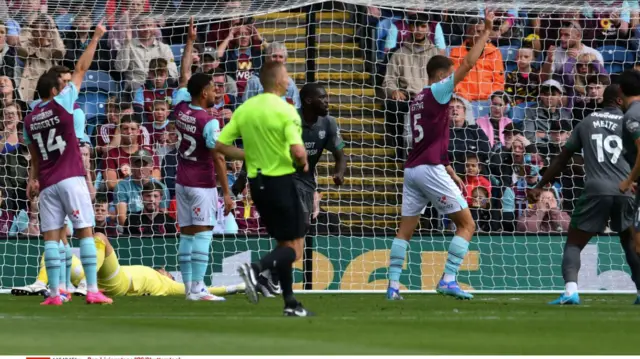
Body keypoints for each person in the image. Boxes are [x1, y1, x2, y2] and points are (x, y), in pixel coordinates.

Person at [385, 12, 496, 301]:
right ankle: (448, 279)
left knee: (404, 232)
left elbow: (432, 140)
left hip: (413, 169)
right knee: (467, 225)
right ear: (444, 75)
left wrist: (452, 170)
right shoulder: (439, 91)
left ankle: (393, 286)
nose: (454, 80)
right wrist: (486, 32)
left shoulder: (418, 98)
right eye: (451, 75)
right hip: (429, 170)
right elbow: (470, 63)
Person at [23, 20, 111, 306]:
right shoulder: (62, 104)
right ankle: (93, 290)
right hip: (71, 177)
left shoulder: (30, 119)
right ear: (52, 91)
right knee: (85, 229)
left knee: (51, 237)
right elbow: (81, 69)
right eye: (60, 86)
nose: (65, 88)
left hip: (46, 183)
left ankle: (54, 294)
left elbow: (34, 155)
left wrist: (31, 180)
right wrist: (96, 37)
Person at [215, 60, 310, 316]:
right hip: (281, 181)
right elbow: (298, 151)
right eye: (287, 75)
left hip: (257, 186)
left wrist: (248, 154)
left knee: (283, 244)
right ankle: (256, 269)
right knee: (294, 249)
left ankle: (290, 303)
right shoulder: (286, 110)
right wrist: (303, 162)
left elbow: (221, 146)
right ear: (280, 81)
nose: (289, 79)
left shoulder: (245, 109)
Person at [530, 84, 640, 305]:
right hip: (626, 190)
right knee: (630, 243)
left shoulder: (587, 122)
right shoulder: (631, 123)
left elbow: (563, 158)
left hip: (596, 190)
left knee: (574, 243)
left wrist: (541, 184)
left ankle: (571, 291)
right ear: (620, 101)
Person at [255, 83, 347, 298]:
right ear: (308, 101)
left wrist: (339, 173)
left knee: (295, 242)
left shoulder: (329, 123)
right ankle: (266, 274)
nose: (327, 101)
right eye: (322, 98)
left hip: (306, 183)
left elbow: (340, 154)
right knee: (299, 227)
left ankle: (268, 276)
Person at [172, 18, 233, 302]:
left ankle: (189, 288)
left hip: (181, 181)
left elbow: (184, 76)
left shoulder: (181, 106)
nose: (215, 91)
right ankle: (198, 288)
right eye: (212, 88)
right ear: (203, 93)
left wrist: (190, 42)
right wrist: (227, 192)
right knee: (204, 234)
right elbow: (219, 158)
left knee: (186, 234)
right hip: (201, 184)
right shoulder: (208, 122)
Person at [11, 232, 245, 297]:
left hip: (118, 284)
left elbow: (207, 291)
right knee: (56, 247)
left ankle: (86, 284)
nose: (164, 270)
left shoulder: (166, 285)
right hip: (104, 275)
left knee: (101, 238)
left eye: (168, 272)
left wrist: (239, 286)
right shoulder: (153, 272)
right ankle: (40, 283)